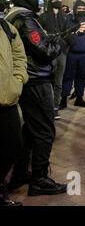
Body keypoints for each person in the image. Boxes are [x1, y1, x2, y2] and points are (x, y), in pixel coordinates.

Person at [6, 0, 69, 196]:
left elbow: (37, 42)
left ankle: (21, 172)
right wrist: (59, 42)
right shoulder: (25, 18)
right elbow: (44, 51)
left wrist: (52, 37)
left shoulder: (16, 16)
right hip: (36, 81)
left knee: (30, 131)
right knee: (44, 131)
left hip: (30, 80)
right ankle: (39, 179)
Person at [0, 13, 28, 206]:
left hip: (6, 98)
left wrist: (17, 80)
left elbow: (19, 55)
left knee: (13, 146)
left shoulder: (6, 27)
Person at [39, 0, 70, 120]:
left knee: (58, 82)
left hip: (61, 53)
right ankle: (46, 107)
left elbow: (68, 34)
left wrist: (64, 42)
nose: (58, 2)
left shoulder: (64, 18)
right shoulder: (44, 17)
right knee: (47, 81)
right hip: (49, 53)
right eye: (55, 1)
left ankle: (55, 108)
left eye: (59, 0)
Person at [60, 0, 85, 109]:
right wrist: (76, 30)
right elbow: (65, 35)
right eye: (78, 8)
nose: (80, 10)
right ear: (75, 8)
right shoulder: (69, 19)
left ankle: (79, 98)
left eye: (82, 8)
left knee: (82, 76)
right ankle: (63, 99)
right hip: (72, 53)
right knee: (68, 77)